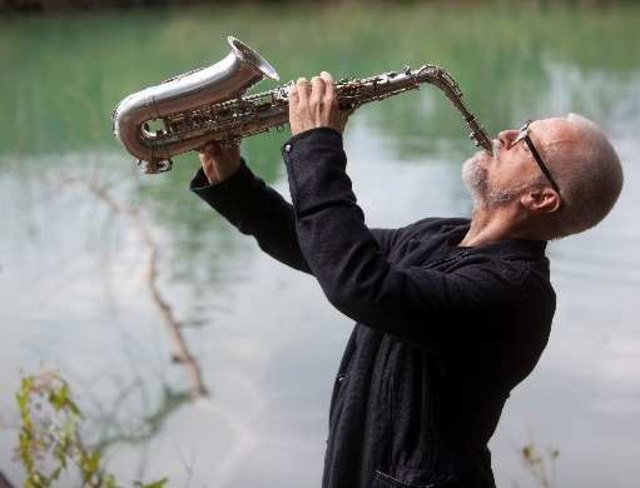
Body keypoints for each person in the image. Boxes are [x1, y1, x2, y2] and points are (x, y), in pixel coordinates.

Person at [189, 71, 623, 488]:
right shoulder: (442, 235)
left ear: (541, 197)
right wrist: (231, 181)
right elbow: (319, 249)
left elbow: (359, 284)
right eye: (524, 126)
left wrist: (315, 144)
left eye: (526, 142)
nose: (507, 135)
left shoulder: (513, 295)